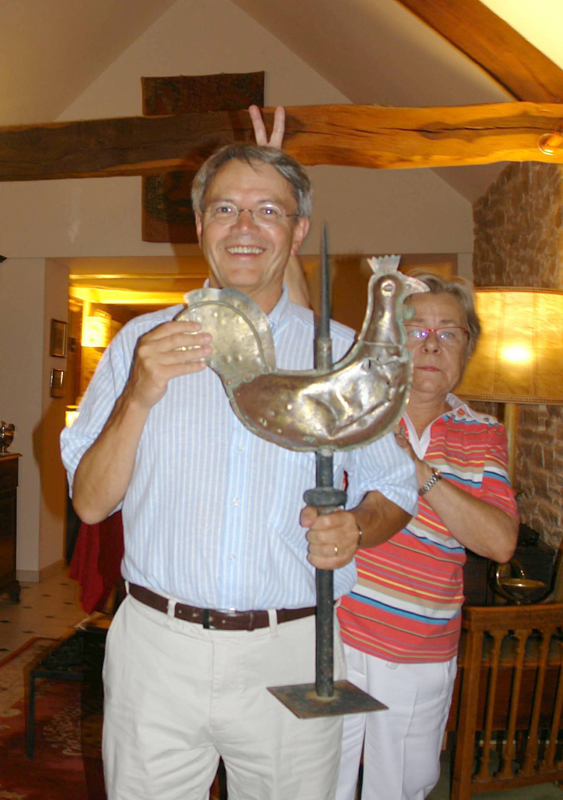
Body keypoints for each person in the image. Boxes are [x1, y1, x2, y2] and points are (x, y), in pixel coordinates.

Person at [60, 135, 418, 800]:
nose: (245, 227)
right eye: (225, 209)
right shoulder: (137, 344)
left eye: (268, 211)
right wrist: (138, 394)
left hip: (293, 649)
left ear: (298, 229)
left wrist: (356, 528)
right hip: (155, 649)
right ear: (200, 225)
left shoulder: (341, 354)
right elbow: (90, 503)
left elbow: (394, 487)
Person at [335, 274, 519, 800]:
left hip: (420, 654)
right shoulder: (348, 416)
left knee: (401, 791)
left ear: (467, 348)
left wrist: (417, 471)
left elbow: (500, 542)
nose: (433, 345)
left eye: (449, 333)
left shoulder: (483, 433)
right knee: (314, 787)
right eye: (417, 331)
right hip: (334, 642)